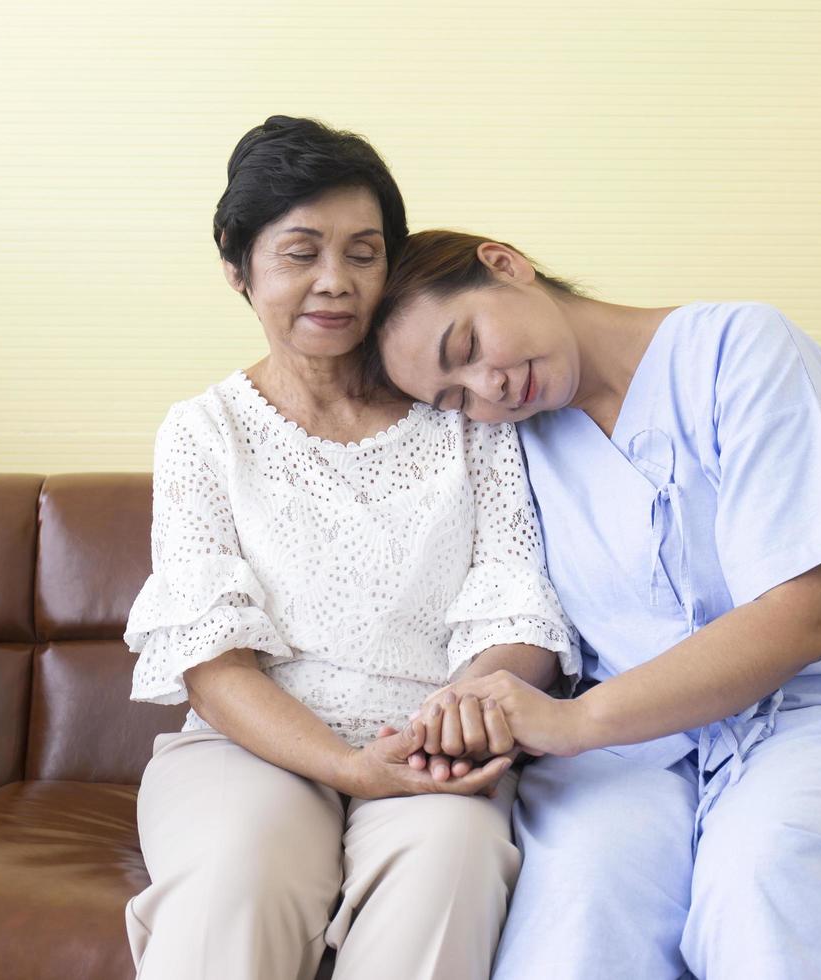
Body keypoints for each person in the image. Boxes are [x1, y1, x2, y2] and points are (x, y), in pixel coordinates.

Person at [365, 229, 821, 979]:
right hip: (637, 759)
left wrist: (574, 721)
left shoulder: (743, 349)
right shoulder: (518, 449)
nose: (487, 388)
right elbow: (517, 609)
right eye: (454, 396)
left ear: (505, 264)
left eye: (468, 343)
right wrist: (470, 706)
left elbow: (803, 613)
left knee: (768, 874)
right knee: (576, 920)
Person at [121, 124, 579, 980]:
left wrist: (452, 721)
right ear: (238, 266)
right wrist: (345, 767)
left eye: (363, 253)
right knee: (237, 875)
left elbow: (519, 604)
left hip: (437, 743)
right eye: (300, 253)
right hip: (248, 751)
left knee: (451, 867)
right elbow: (211, 665)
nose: (335, 281)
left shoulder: (463, 413)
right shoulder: (202, 433)